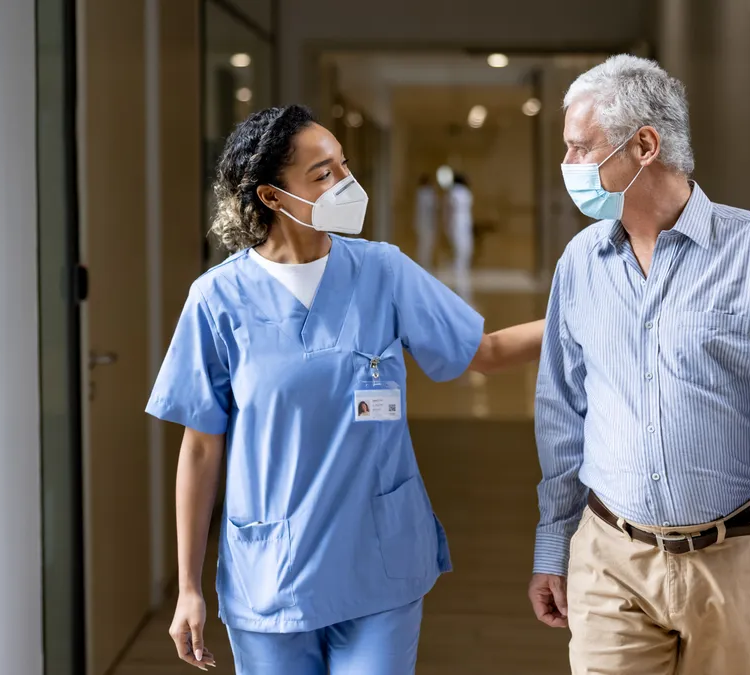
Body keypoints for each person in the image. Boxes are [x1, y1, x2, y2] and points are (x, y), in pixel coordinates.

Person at [147, 105, 545, 674]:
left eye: (344, 165)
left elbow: (485, 352)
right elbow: (201, 446)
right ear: (272, 197)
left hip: (378, 562)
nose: (345, 183)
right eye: (323, 174)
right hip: (273, 576)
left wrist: (586, 310)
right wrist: (188, 588)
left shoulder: (382, 271)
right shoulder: (218, 300)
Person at [530, 55, 750, 675]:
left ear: (644, 145)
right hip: (609, 557)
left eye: (578, 148)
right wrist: (552, 543)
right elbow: (561, 415)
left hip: (737, 560)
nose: (568, 167)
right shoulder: (579, 263)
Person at [446, 173, 474, 303]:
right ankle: (459, 277)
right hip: (460, 223)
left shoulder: (456, 193)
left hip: (460, 223)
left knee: (463, 250)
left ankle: (461, 275)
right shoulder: (459, 193)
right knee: (462, 250)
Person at [414, 174, 438, 270]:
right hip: (426, 224)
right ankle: (424, 265)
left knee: (424, 246)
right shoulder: (426, 194)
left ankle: (425, 264)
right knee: (425, 246)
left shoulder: (421, 194)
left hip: (424, 223)